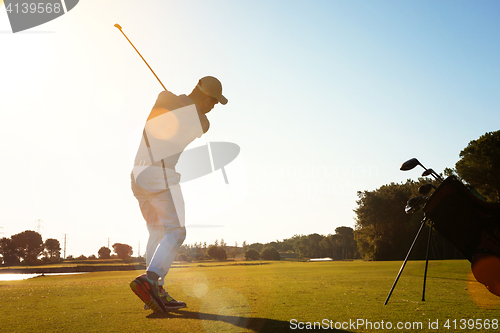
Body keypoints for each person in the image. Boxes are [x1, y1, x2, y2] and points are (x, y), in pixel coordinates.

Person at [129, 76, 228, 312]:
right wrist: (182, 103)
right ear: (205, 97)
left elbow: (181, 110)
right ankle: (150, 280)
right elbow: (183, 110)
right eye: (213, 102)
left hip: (137, 175)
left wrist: (180, 102)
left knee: (157, 232)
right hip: (160, 173)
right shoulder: (192, 114)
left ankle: (155, 293)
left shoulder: (191, 115)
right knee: (176, 231)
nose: (213, 107)